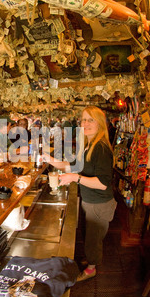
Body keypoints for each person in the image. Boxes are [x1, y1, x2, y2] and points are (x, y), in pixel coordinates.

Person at [44, 106, 116, 282]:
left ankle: (92, 268)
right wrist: (49, 159)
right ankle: (91, 259)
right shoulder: (89, 145)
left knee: (93, 240)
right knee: (89, 235)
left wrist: (75, 178)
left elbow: (102, 184)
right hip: (90, 200)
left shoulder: (101, 148)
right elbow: (72, 166)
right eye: (83, 120)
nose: (85, 123)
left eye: (90, 120)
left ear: (100, 124)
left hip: (99, 204)